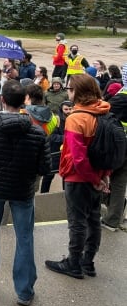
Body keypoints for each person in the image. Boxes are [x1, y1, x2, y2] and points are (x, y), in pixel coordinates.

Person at [0, 79, 50, 306]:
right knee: (24, 238)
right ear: (24, 101)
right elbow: (44, 168)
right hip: (23, 191)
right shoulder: (36, 132)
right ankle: (24, 291)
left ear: (2, 100)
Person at [45, 74, 111, 279]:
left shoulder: (76, 118)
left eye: (71, 89)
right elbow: (107, 149)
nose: (68, 92)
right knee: (93, 219)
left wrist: (93, 179)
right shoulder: (104, 112)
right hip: (98, 176)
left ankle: (73, 263)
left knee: (77, 222)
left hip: (79, 178)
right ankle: (88, 262)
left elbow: (78, 157)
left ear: (79, 93)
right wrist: (103, 177)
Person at [103, 87, 127, 231]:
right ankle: (113, 219)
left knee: (95, 177)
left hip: (116, 146)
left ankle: (112, 208)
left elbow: (106, 113)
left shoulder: (122, 97)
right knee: (119, 183)